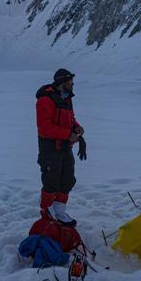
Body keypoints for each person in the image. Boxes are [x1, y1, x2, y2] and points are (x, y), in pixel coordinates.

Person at [35, 68, 85, 227]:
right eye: (70, 81)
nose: (72, 83)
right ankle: (46, 212)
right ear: (62, 82)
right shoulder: (45, 100)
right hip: (50, 149)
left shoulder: (67, 98)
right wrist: (67, 135)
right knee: (51, 181)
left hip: (65, 147)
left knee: (67, 179)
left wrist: (76, 127)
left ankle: (60, 212)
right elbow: (44, 127)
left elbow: (71, 118)